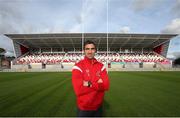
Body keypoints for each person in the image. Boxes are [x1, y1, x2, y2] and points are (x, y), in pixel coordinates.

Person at [72, 40, 110, 117]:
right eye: (87, 49)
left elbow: (106, 85)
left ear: (95, 50)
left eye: (92, 49)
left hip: (98, 108)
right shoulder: (78, 66)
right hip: (83, 108)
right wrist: (98, 84)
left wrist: (88, 83)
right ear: (84, 51)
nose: (90, 51)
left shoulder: (101, 66)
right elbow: (78, 90)